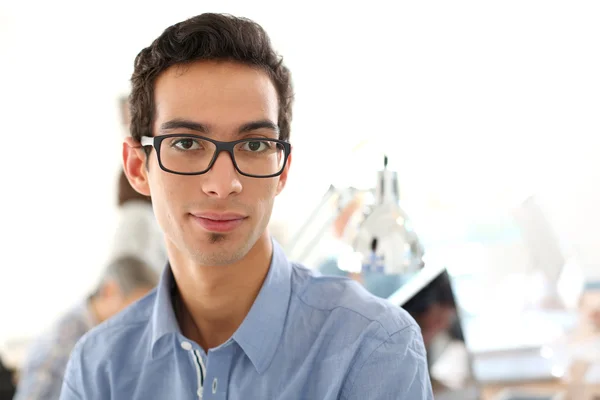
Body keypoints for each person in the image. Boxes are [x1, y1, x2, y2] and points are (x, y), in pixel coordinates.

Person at [60, 13, 433, 400]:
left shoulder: (372, 345)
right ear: (139, 167)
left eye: (254, 145)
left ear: (282, 169)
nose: (223, 185)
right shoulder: (98, 366)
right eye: (187, 143)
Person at [15, 256, 158, 400]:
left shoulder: (109, 336)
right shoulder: (63, 340)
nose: (142, 321)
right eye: (135, 308)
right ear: (109, 291)